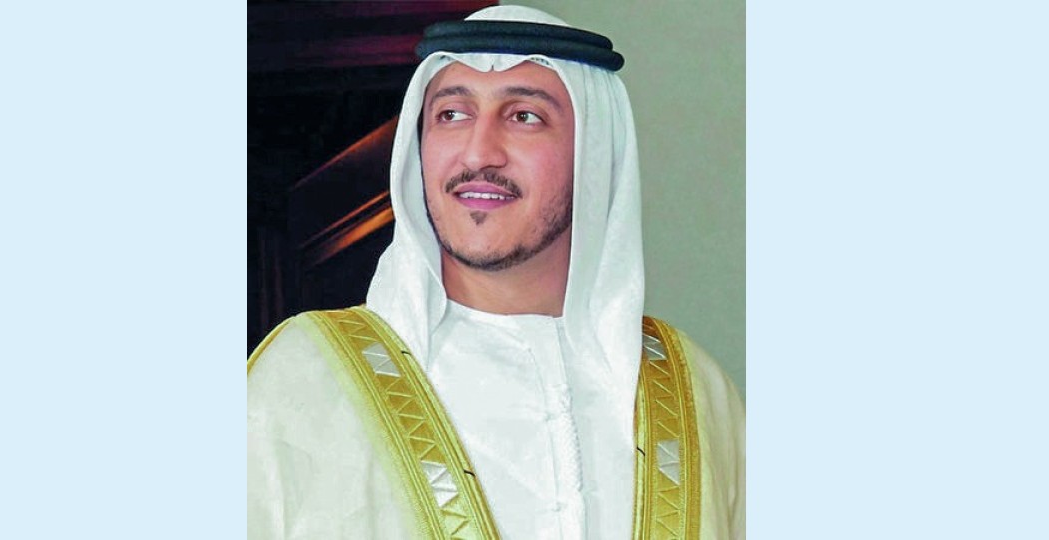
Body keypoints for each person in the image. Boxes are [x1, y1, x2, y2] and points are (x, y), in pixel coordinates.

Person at [247, 5, 744, 539]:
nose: (479, 153)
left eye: (524, 116)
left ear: (594, 154)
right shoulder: (304, 380)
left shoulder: (695, 393)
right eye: (451, 115)